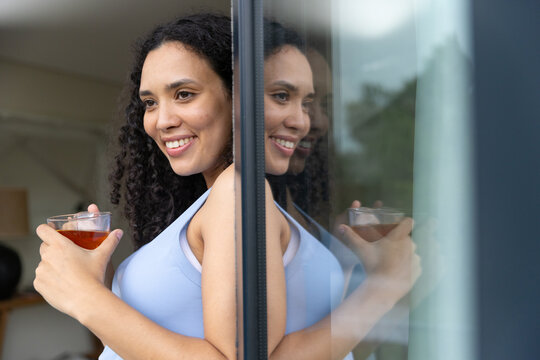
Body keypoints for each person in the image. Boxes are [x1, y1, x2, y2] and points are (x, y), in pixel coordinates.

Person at [34, 14, 420, 360]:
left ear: (239, 98)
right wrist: (103, 283)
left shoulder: (238, 192)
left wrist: (83, 295)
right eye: (150, 102)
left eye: (183, 94)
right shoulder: (226, 197)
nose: (161, 120)